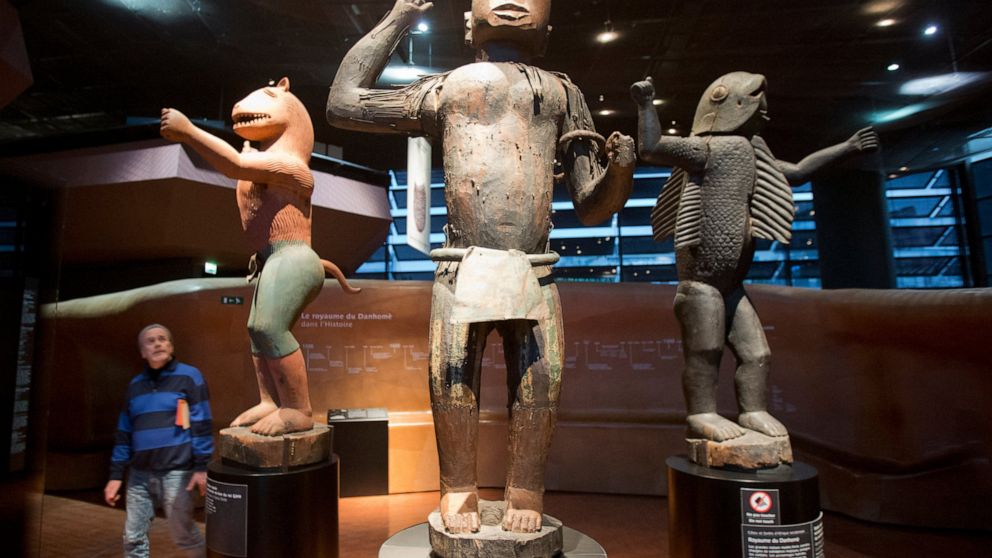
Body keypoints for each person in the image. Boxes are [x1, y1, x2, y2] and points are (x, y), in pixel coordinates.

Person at [327, 0, 635, 534]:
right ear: (468, 22)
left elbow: (590, 202)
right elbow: (344, 103)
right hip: (460, 267)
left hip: (533, 269)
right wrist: (399, 16)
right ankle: (458, 488)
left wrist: (621, 171)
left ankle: (525, 488)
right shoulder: (447, 88)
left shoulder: (563, 93)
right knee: (451, 380)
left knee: (540, 380)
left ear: (547, 27)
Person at [631, 73, 878, 444]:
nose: (765, 117)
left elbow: (795, 172)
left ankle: (753, 409)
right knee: (706, 350)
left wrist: (846, 147)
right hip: (701, 284)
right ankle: (702, 413)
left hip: (732, 284)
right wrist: (646, 105)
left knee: (758, 353)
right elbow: (650, 147)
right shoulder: (706, 150)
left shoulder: (751, 152)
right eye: (758, 109)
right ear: (734, 107)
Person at [103, 324, 212, 558]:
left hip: (176, 473)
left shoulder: (189, 376)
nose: (158, 343)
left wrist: (201, 466)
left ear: (171, 346)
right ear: (142, 352)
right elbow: (124, 432)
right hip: (139, 475)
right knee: (133, 538)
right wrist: (115, 476)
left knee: (183, 534)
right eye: (150, 341)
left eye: (163, 339)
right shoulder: (135, 386)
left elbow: (202, 422)